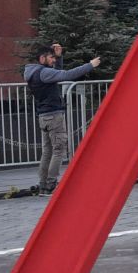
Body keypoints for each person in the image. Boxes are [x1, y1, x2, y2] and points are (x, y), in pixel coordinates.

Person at [23, 43, 100, 194]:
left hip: (43, 115)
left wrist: (58, 57)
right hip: (54, 115)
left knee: (47, 151)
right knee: (59, 150)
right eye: (51, 58)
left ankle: (43, 183)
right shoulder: (44, 73)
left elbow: (56, 75)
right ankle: (51, 183)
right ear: (42, 58)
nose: (53, 61)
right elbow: (65, 75)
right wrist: (90, 65)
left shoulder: (33, 72)